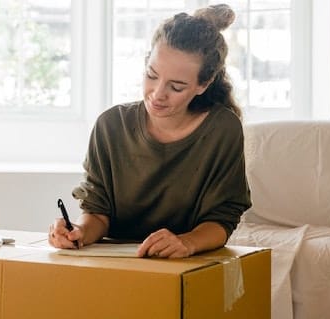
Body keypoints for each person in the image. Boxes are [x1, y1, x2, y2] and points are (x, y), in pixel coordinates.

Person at [49, 4, 251, 259]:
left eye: (176, 87)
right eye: (151, 75)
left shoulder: (223, 129)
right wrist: (77, 232)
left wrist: (186, 242)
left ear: (204, 84)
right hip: (115, 264)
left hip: (187, 263)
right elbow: (97, 212)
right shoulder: (110, 125)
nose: (157, 95)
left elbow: (222, 218)